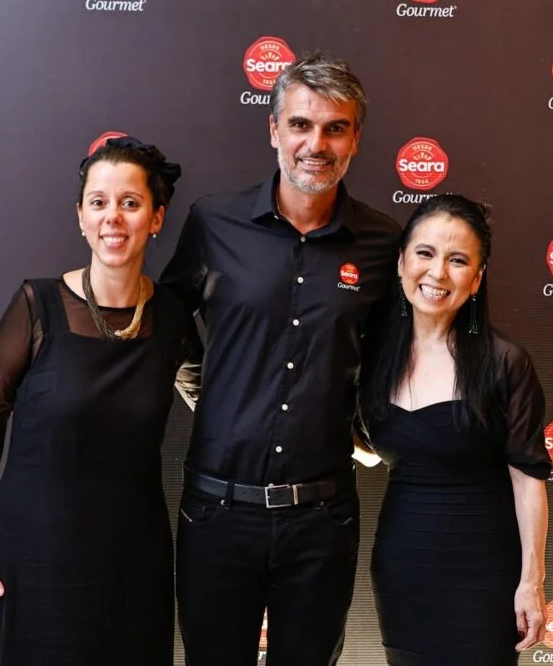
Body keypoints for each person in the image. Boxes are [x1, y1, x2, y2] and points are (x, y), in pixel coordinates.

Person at [160, 52, 401, 665]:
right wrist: (211, 394)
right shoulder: (213, 223)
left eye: (335, 128)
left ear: (355, 139)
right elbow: (166, 325)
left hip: (323, 516)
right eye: (300, 124)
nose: (315, 144)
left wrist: (368, 434)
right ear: (273, 129)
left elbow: (395, 358)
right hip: (216, 510)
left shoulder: (384, 244)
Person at [0, 137, 190, 665]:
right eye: (98, 202)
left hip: (135, 558)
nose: (113, 218)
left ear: (156, 218)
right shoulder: (36, 306)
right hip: (35, 553)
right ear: (81, 216)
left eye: (130, 203)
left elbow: (213, 394)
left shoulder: (173, 317)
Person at [358, 194, 551, 666]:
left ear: (477, 278)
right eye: (425, 253)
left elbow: (527, 479)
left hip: (482, 570)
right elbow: (369, 448)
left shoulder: (504, 362)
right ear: (401, 261)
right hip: (402, 565)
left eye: (458, 260)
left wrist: (532, 581)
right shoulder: (372, 356)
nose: (438, 273)